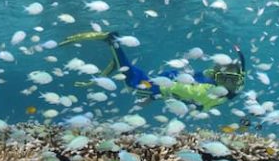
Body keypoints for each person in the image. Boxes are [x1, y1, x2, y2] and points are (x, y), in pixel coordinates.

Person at [59, 31, 246, 110]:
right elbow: (176, 90)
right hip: (168, 83)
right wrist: (152, 97)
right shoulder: (206, 92)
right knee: (133, 84)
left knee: (137, 75)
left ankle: (119, 63)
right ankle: (112, 41)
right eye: (225, 79)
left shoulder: (228, 87)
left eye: (232, 79)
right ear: (217, 77)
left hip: (177, 77)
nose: (229, 84)